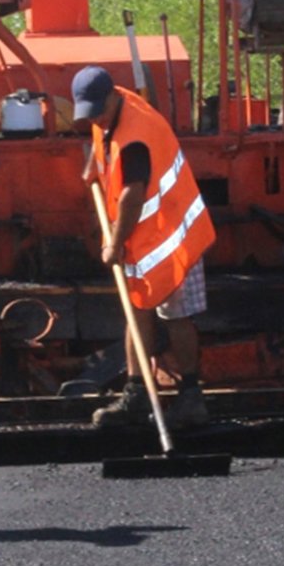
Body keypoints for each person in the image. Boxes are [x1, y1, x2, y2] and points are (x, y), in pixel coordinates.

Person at [71, 67, 216, 430]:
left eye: (97, 112)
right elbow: (102, 139)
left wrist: (113, 245)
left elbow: (132, 197)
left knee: (176, 314)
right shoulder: (110, 111)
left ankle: (191, 396)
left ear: (111, 98)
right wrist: (91, 168)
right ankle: (136, 393)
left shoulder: (136, 134)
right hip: (144, 238)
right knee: (137, 311)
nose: (95, 119)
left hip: (174, 234)